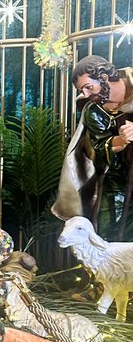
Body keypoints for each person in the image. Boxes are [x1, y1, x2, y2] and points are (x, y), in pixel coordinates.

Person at [53, 55, 133, 238]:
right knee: (108, 233)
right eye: (82, 90)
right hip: (116, 179)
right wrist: (122, 140)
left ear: (104, 77)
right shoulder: (94, 110)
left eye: (88, 87)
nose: (86, 94)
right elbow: (101, 144)